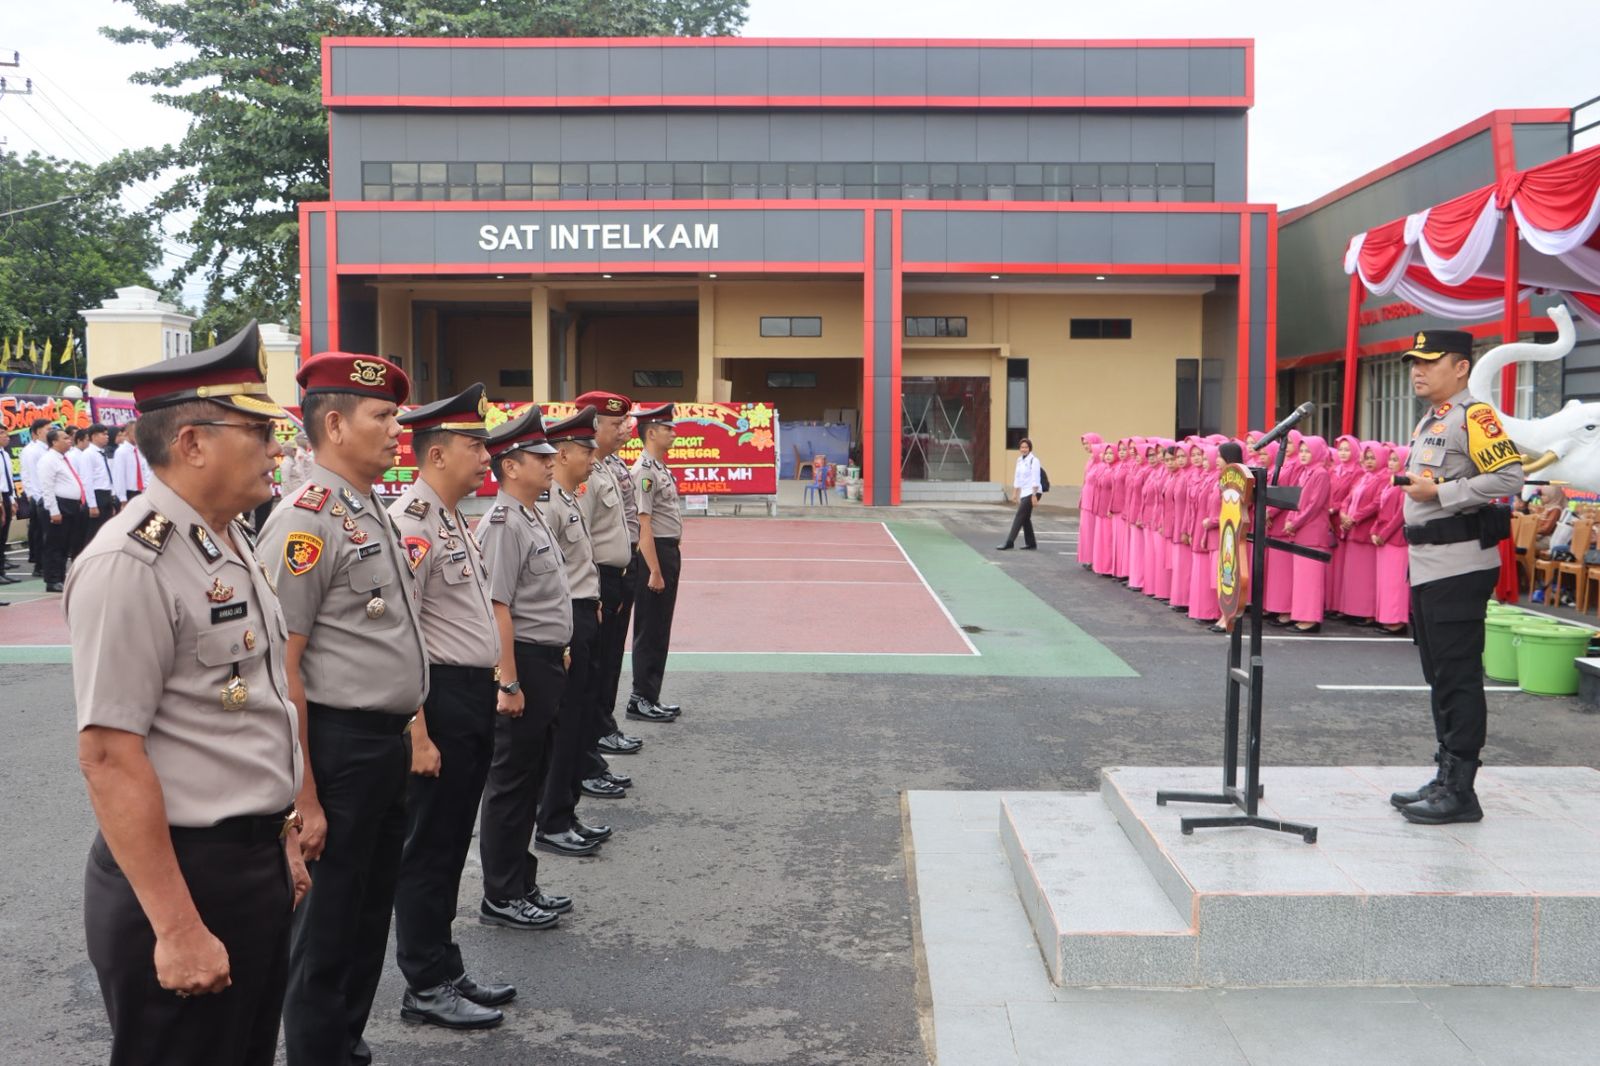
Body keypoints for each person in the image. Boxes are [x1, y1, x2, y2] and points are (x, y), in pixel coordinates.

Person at [67, 321, 310, 1066]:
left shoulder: (227, 538)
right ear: (194, 443)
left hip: (250, 864)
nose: (276, 448)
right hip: (184, 877)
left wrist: (285, 837)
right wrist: (176, 929)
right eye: (258, 430)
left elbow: (251, 710)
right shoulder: (131, 563)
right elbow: (109, 756)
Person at [256, 350, 429, 1066]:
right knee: (327, 934)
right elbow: (279, 668)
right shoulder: (306, 519)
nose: (398, 431)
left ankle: (343, 1050)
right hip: (337, 748)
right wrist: (304, 800)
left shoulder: (366, 509)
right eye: (383, 417)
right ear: (333, 424)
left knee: (364, 922)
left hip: (380, 746)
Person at [386, 383, 511, 1030]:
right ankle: (425, 984)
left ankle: (446, 965)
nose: (487, 456)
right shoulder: (411, 523)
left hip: (469, 695)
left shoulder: (452, 515)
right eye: (475, 444)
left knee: (450, 842)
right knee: (430, 848)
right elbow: (400, 633)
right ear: (437, 455)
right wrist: (419, 732)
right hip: (437, 698)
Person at [1388, 329, 1524, 824]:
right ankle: (1445, 775)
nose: (1417, 370)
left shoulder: (1475, 416)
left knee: (1458, 675)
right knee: (1439, 674)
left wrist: (1440, 493)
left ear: (1461, 367)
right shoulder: (1434, 419)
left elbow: (1510, 477)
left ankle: (1462, 790)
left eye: (1429, 361)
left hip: (1459, 565)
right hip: (1429, 564)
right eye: (1413, 362)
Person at [475, 406, 575, 930]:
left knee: (532, 775)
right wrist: (508, 680)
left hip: (544, 660)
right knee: (512, 782)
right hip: (523, 667)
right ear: (511, 465)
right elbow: (498, 607)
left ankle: (522, 880)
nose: (550, 462)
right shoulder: (502, 522)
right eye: (539, 457)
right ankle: (500, 894)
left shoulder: (532, 514)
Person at [534, 406, 614, 857]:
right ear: (563, 453)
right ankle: (552, 819)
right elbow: (547, 576)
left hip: (582, 615)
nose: (590, 456)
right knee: (563, 728)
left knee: (578, 721)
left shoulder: (566, 498)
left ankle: (566, 810)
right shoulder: (549, 504)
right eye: (584, 449)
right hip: (565, 621)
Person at [575, 389, 644, 778]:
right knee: (593, 671)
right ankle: (591, 747)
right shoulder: (585, 476)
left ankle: (600, 730)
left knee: (608, 663)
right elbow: (582, 538)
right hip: (597, 579)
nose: (624, 430)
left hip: (615, 574)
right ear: (594, 424)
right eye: (616, 423)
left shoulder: (606, 467)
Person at [628, 403, 686, 722]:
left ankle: (651, 695)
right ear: (651, 433)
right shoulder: (645, 472)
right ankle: (640, 697)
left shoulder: (660, 468)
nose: (673, 433)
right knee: (649, 627)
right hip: (655, 554)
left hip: (667, 552)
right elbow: (643, 524)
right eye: (668, 428)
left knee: (660, 627)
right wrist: (653, 569)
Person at [1282, 436, 1332, 633]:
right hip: (1300, 530)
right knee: (1302, 578)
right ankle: (1302, 616)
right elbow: (1296, 499)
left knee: (1310, 578)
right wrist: (1289, 519)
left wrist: (1294, 522)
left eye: (1307, 451)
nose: (1303, 455)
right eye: (1301, 451)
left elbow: (1314, 505)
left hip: (1312, 531)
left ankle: (1310, 619)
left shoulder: (1321, 474)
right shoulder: (1305, 473)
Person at [36, 427, 88, 592]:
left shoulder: (63, 458)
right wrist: (54, 511)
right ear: (54, 442)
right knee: (54, 545)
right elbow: (47, 487)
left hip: (70, 506)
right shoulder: (48, 460)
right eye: (65, 438)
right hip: (58, 505)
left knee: (65, 544)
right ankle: (52, 580)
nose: (69, 440)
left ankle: (60, 577)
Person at [997, 437, 1042, 550]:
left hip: (1033, 492)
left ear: (1030, 448)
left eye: (1026, 447)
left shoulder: (1034, 460)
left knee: (1019, 516)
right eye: (1022, 447)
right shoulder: (1019, 460)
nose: (1024, 449)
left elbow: (1036, 478)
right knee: (1025, 518)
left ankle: (1010, 542)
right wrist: (1015, 493)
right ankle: (1031, 543)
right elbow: (1017, 478)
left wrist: (1034, 495)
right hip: (1024, 492)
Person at [21, 417, 51, 575]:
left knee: (47, 532)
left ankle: (44, 563)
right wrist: (35, 496)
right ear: (38, 432)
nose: (50, 432)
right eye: (48, 429)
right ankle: (39, 565)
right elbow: (30, 476)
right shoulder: (31, 451)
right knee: (39, 533)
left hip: (47, 496)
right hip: (39, 497)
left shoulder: (47, 449)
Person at [112, 420, 153, 505]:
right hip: (129, 492)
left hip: (143, 491)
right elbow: (119, 476)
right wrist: (123, 498)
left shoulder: (139, 450)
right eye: (135, 432)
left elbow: (145, 470)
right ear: (127, 433)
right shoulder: (121, 452)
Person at [0, 433, 17, 585]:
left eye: (6, 434)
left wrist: (11, 499)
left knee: (3, 535)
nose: (6, 437)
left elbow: (8, 479)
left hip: (6, 495)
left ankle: (2, 571)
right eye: (1, 434)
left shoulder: (5, 454)